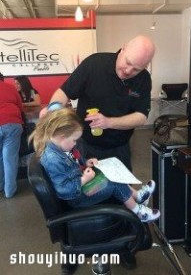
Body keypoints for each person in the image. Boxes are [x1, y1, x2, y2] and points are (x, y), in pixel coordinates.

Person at [40, 35, 155, 170]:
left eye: (136, 69)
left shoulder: (144, 79)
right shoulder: (94, 64)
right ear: (123, 49)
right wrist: (53, 109)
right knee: (88, 187)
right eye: (128, 63)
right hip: (85, 145)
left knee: (121, 189)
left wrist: (109, 122)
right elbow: (64, 92)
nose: (128, 71)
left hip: (120, 148)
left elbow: (141, 116)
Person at [30, 107, 160, 222]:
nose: (75, 143)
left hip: (81, 186)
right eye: (74, 140)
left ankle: (138, 196)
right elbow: (64, 190)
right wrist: (84, 179)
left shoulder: (61, 145)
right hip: (78, 198)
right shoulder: (53, 159)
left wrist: (85, 162)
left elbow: (74, 157)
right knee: (114, 183)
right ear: (62, 136)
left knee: (110, 173)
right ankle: (137, 211)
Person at [0, 72, 23, 198]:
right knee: (9, 158)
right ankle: (9, 191)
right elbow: (20, 106)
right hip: (12, 123)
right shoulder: (10, 87)